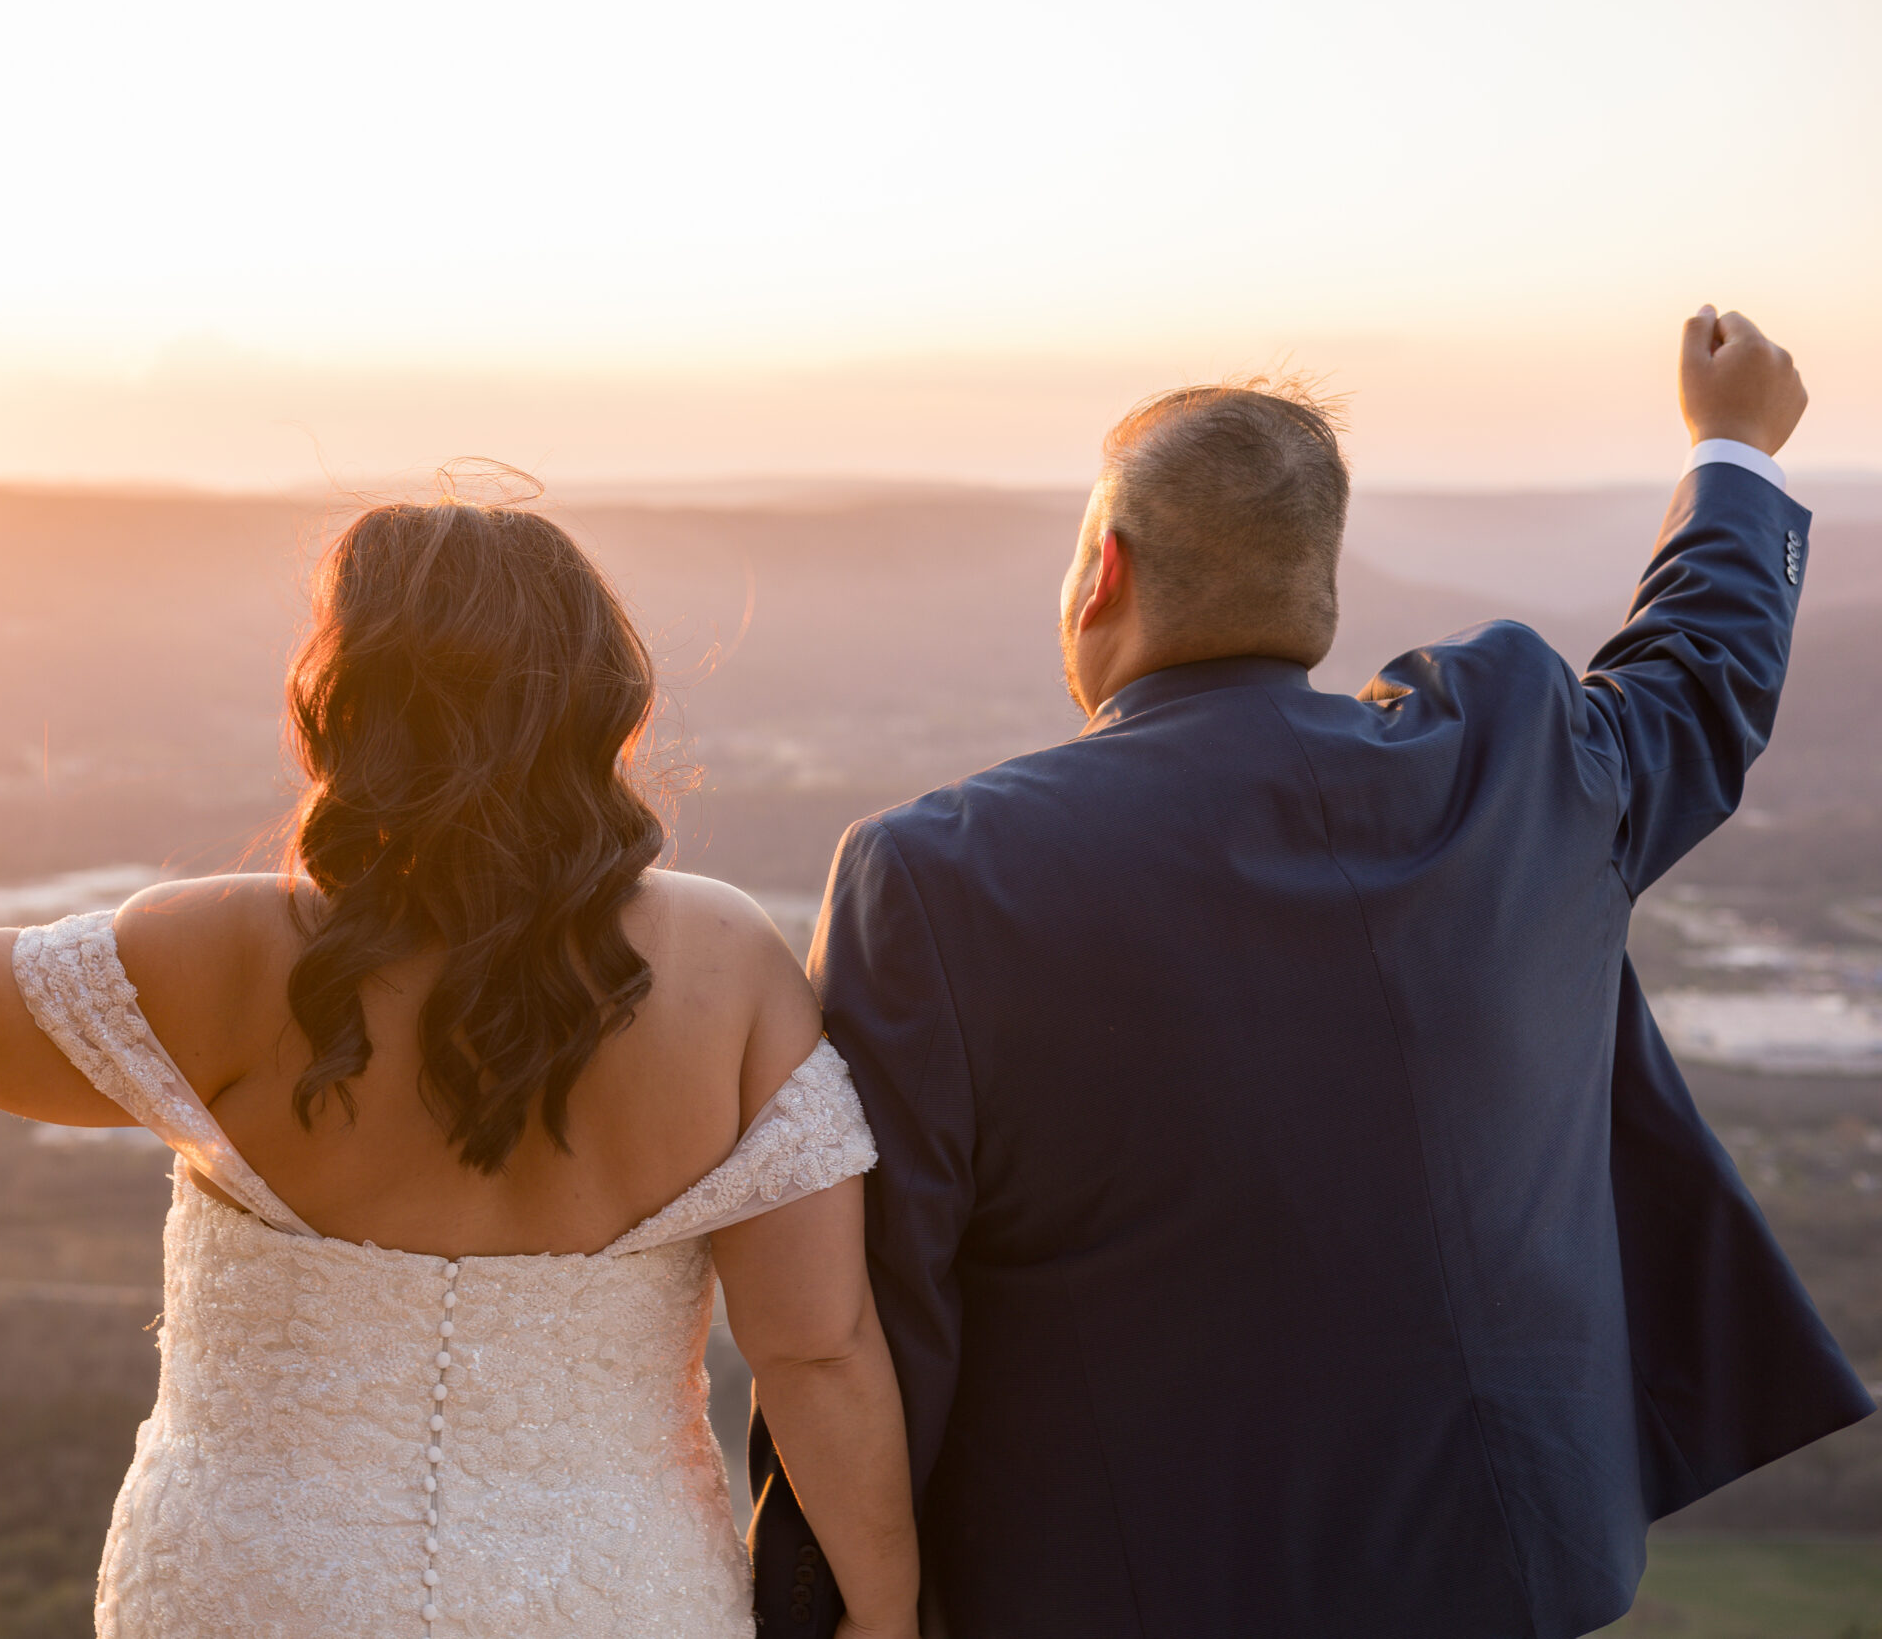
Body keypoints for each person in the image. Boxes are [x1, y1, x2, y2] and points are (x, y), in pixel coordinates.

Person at [0, 493, 922, 1639]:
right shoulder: (730, 966)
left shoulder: (216, 954)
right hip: (617, 1596)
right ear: (600, 702)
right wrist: (889, 1621)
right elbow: (816, 1352)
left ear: (344, 704)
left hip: (253, 1588)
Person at [750, 310, 1873, 1638]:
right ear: (1316, 592)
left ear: (1101, 572)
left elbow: (871, 1319)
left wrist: (835, 1615)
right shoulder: (1510, 765)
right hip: (1514, 1590)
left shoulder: (932, 877)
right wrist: (1731, 447)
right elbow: (1697, 677)